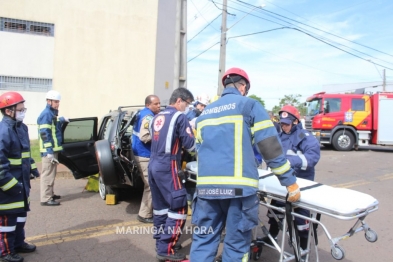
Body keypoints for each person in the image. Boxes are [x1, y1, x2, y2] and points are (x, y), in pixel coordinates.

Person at [189, 67, 300, 262]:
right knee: (236, 245)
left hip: (207, 191)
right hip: (239, 192)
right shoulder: (249, 106)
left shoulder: (204, 114)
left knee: (203, 242)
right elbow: (270, 148)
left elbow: (198, 149)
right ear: (243, 87)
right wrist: (289, 182)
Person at [265, 105, 320, 252]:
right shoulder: (280, 136)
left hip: (300, 184)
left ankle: (303, 247)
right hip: (281, 183)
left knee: (301, 218)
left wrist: (291, 161)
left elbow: (312, 158)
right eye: (282, 123)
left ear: (295, 122)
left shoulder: (306, 137)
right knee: (274, 211)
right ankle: (272, 236)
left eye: (287, 124)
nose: (284, 127)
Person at [148, 87, 196, 261]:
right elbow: (190, 145)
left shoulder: (156, 117)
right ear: (179, 101)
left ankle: (161, 243)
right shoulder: (179, 117)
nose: (187, 108)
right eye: (187, 104)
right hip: (168, 165)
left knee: (160, 208)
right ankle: (166, 249)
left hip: (153, 164)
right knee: (179, 206)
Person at [0, 92, 39, 262]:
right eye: (20, 109)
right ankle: (5, 252)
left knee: (21, 216)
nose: (23, 111)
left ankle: (18, 243)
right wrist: (11, 186)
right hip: (9, 188)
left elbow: (25, 153)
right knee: (8, 222)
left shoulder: (21, 127)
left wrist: (32, 168)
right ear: (9, 111)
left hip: (21, 185)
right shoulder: (3, 132)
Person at [132, 95, 161, 223]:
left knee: (149, 184)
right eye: (156, 104)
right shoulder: (148, 117)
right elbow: (145, 137)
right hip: (144, 155)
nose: (159, 106)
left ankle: (149, 211)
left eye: (159, 103)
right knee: (150, 185)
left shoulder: (141, 113)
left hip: (139, 153)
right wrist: (160, 138)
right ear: (148, 105)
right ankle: (145, 214)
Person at [37, 90, 68, 206]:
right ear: (49, 101)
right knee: (48, 174)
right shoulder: (46, 114)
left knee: (51, 173)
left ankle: (50, 194)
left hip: (52, 150)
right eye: (55, 102)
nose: (57, 104)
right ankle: (46, 198)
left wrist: (61, 120)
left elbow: (54, 129)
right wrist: (49, 151)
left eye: (58, 102)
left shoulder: (51, 114)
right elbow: (45, 133)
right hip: (48, 151)